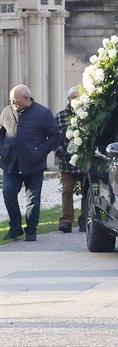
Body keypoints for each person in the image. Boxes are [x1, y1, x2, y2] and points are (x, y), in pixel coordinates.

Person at [2, 85, 62, 242]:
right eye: (11, 99)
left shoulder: (43, 113)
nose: (12, 102)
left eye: (15, 100)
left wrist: (40, 151)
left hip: (34, 164)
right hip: (11, 163)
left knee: (33, 199)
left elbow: (55, 136)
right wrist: (2, 152)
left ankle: (31, 231)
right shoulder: (7, 111)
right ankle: (15, 227)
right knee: (8, 193)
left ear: (26, 98)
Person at [54, 87, 85, 232]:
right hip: (67, 163)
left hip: (84, 162)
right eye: (73, 97)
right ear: (68, 99)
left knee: (87, 190)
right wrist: (63, 155)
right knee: (67, 191)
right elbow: (54, 139)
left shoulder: (87, 115)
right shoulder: (60, 116)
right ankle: (66, 221)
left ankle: (85, 219)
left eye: (78, 97)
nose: (75, 99)